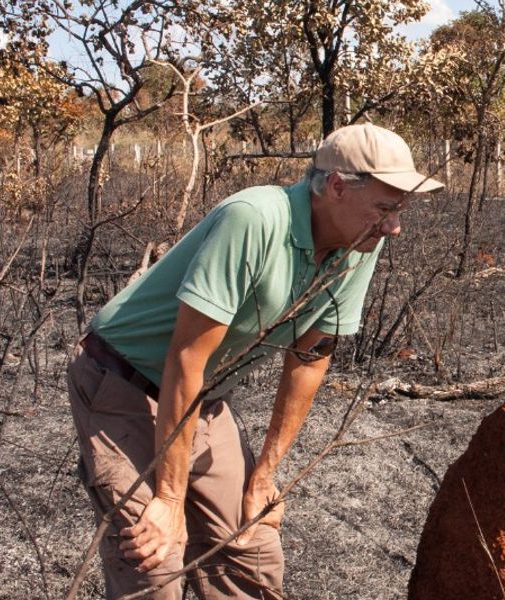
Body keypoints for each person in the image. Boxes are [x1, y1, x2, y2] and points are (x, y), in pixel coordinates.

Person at [67, 123, 444, 599]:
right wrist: (168, 496)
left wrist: (264, 475)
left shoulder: (360, 240)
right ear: (336, 187)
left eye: (400, 210)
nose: (394, 226)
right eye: (386, 209)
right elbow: (185, 358)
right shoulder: (254, 219)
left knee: (252, 546)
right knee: (154, 560)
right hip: (121, 380)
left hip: (202, 397)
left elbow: (310, 358)